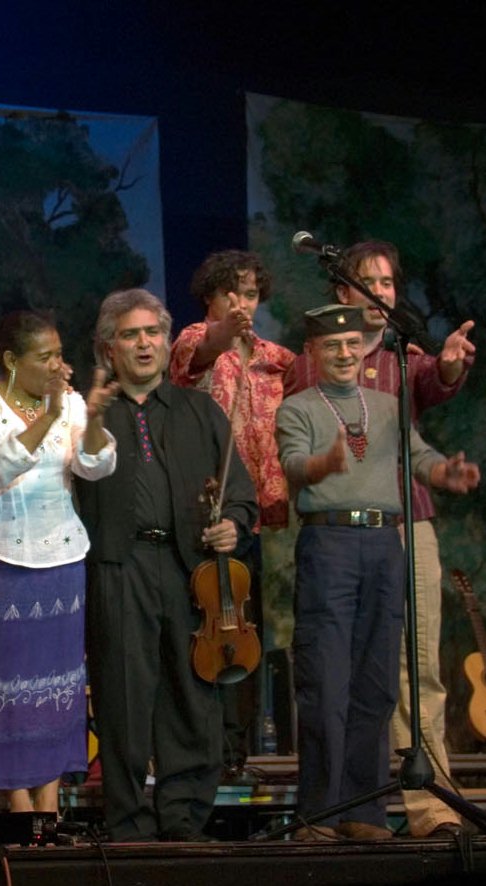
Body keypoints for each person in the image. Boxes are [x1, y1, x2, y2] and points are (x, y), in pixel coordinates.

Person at [284, 240, 475, 838]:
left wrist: (447, 471)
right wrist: (323, 464)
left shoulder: (395, 384)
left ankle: (382, 810)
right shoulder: (302, 394)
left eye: (389, 284)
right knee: (327, 682)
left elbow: (422, 441)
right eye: (332, 344)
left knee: (385, 681)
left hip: (390, 538)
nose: (345, 352)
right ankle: (322, 811)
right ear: (317, 347)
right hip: (331, 543)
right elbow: (292, 463)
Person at [76, 289, 258, 842]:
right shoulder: (91, 417)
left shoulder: (200, 411)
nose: (144, 343)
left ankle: (184, 819)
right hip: (118, 566)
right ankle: (129, 821)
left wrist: (234, 524)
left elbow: (242, 496)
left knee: (191, 694)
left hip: (190, 572)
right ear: (110, 347)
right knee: (124, 696)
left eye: (152, 332)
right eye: (130, 334)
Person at [0, 311, 117, 814]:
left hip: (62, 558)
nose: (58, 365)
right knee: (4, 683)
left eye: (59, 354)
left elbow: (94, 467)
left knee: (58, 683)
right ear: (10, 361)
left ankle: (48, 802)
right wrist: (47, 417)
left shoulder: (70, 402)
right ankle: (14, 800)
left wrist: (88, 418)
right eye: (44, 357)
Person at [169, 250, 295, 775]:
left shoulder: (275, 358)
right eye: (231, 294)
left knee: (247, 633)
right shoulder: (196, 338)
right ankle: (196, 746)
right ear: (211, 298)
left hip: (257, 515)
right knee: (200, 627)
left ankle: (236, 752)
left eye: (250, 294)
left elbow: (321, 369)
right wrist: (227, 330)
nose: (242, 304)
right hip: (206, 507)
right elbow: (203, 351)